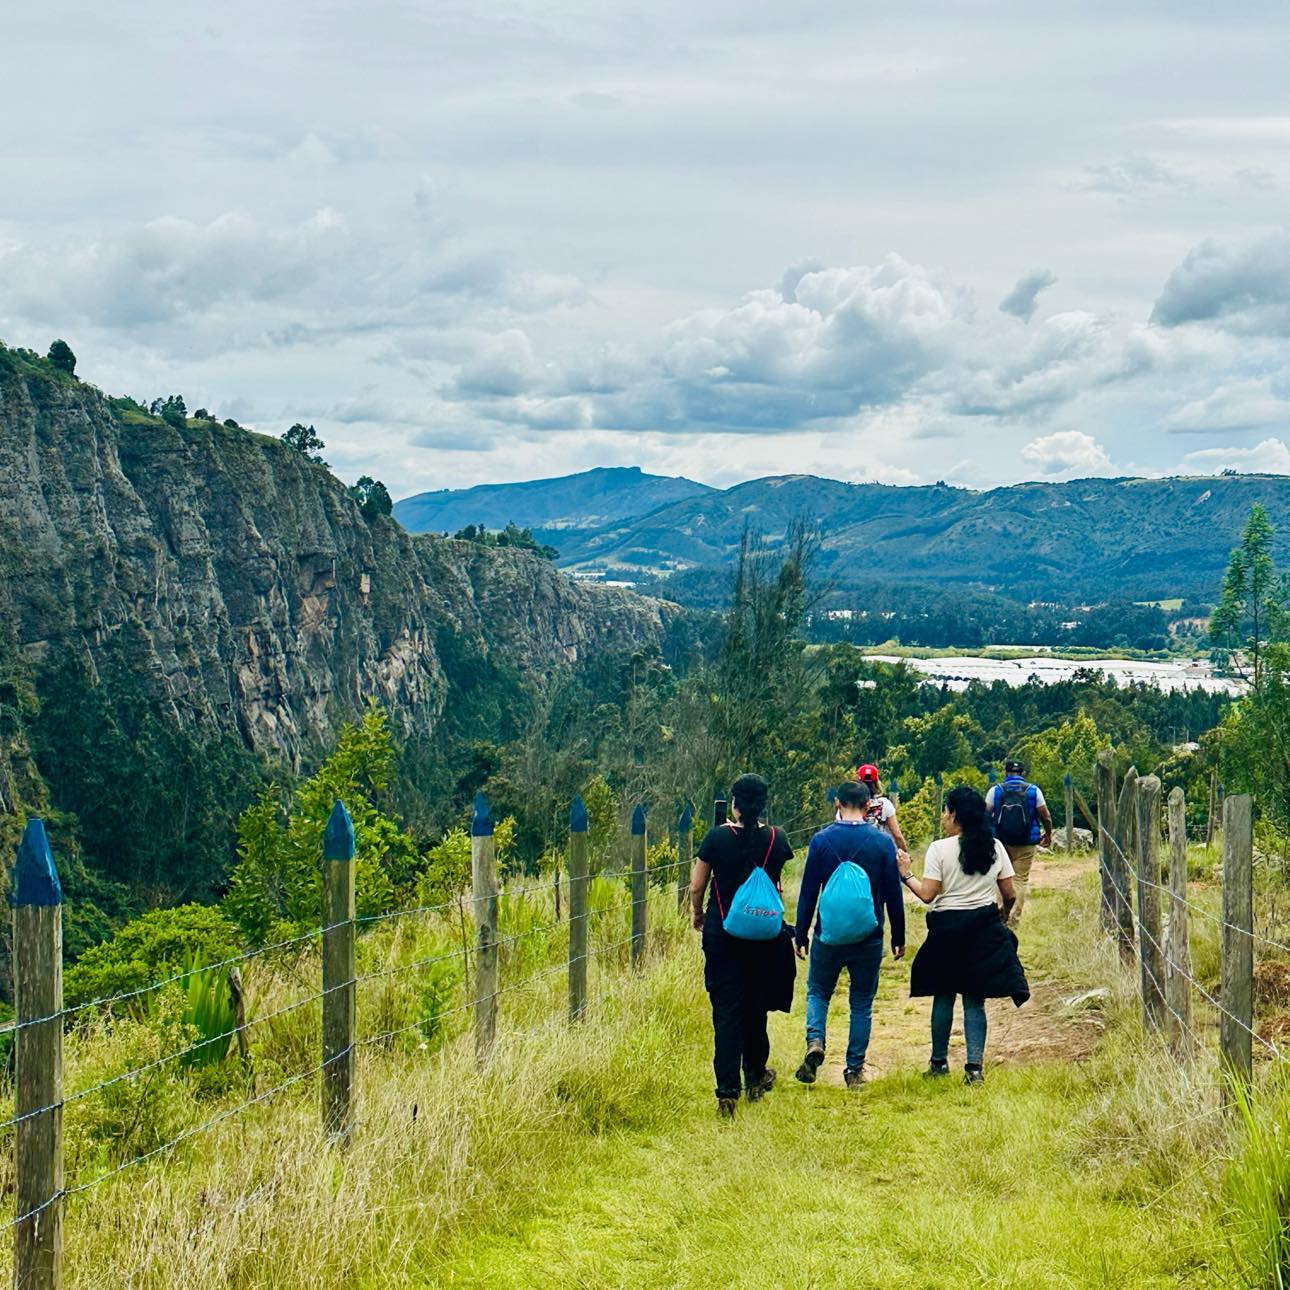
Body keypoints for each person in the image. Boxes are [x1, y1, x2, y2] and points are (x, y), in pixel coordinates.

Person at [897, 785, 1030, 1084]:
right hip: (982, 927)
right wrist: (1002, 917)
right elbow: (1009, 893)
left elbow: (928, 895)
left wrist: (905, 873)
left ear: (955, 814)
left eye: (946, 811)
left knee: (943, 995)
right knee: (974, 999)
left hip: (946, 930)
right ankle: (974, 1069)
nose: (944, 816)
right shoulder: (994, 847)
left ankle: (939, 1063)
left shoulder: (939, 849)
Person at [689, 773, 795, 1119]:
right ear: (763, 804)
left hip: (723, 936)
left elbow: (696, 885)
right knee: (755, 1009)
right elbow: (777, 881)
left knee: (727, 1014)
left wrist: (697, 915)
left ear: (734, 803)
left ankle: (726, 1094)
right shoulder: (776, 839)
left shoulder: (717, 838)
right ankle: (755, 1077)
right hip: (764, 937)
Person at [793, 781, 905, 1088]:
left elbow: (808, 892)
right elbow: (893, 894)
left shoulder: (820, 841)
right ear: (869, 806)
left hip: (828, 934)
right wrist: (898, 935)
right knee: (860, 1002)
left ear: (837, 804)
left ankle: (815, 1039)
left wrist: (801, 933)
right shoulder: (882, 843)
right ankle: (854, 1070)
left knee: (818, 990)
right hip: (869, 935)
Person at [984, 759, 1053, 926]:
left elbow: (985, 815)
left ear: (1006, 773)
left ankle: (1001, 915)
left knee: (1001, 877)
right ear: (1023, 773)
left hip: (1001, 841)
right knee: (1020, 879)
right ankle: (1014, 919)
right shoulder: (1033, 791)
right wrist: (1048, 834)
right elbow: (1045, 816)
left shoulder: (996, 791)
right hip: (1026, 841)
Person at [856, 763, 910, 853]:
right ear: (877, 783)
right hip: (879, 853)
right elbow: (897, 836)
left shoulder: (849, 804)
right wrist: (905, 854)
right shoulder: (884, 804)